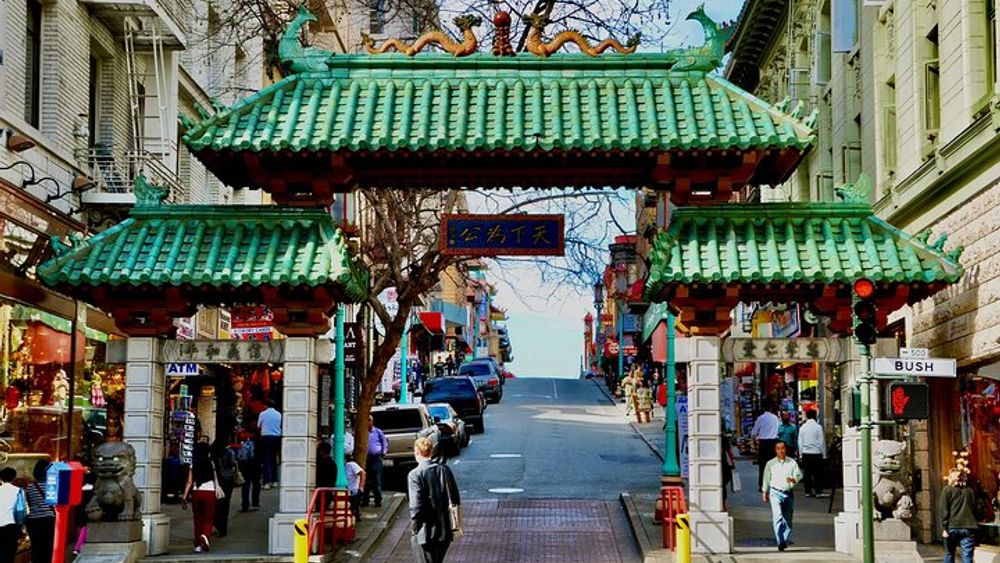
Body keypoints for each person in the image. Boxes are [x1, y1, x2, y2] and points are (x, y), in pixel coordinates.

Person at [407, 436, 460, 563]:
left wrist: (414, 528)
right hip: (444, 531)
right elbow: (455, 497)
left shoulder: (415, 474)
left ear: (417, 452)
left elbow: (416, 505)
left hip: (425, 532)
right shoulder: (445, 470)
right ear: (431, 451)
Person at [761, 441, 802, 552]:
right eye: (778, 448)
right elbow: (766, 478)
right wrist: (764, 492)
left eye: (782, 448)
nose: (781, 450)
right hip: (775, 492)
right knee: (777, 516)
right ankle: (780, 542)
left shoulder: (792, 463)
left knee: (788, 521)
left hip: (788, 493)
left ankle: (783, 539)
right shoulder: (770, 464)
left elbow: (799, 475)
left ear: (785, 449)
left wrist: (794, 479)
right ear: (775, 450)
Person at [183, 442, 220, 552]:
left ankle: (198, 544)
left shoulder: (193, 464)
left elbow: (189, 482)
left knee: (198, 519)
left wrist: (184, 496)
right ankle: (205, 535)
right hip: (209, 492)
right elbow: (215, 478)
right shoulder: (211, 463)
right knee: (208, 518)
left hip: (196, 492)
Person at [939, 467, 979, 563]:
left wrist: (944, 528)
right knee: (967, 555)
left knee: (949, 553)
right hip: (969, 526)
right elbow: (975, 508)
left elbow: (944, 510)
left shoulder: (947, 490)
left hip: (952, 527)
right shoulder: (970, 491)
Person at [25, 460, 55, 563]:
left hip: (33, 520)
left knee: (36, 547)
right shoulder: (52, 486)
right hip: (49, 519)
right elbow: (55, 503)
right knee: (48, 546)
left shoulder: (30, 487)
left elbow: (29, 502)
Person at [797, 409, 828, 498]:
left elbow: (800, 442)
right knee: (818, 474)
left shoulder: (803, 428)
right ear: (815, 416)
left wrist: (800, 454)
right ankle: (818, 491)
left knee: (807, 474)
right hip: (817, 453)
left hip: (806, 453)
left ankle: (808, 491)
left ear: (806, 416)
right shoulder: (818, 427)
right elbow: (822, 442)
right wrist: (824, 454)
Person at [751, 398, 781, 489]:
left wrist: (754, 442)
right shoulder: (775, 418)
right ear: (771, 408)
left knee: (763, 465)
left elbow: (753, 433)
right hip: (773, 443)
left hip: (763, 443)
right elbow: (779, 430)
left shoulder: (761, 418)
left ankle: (762, 485)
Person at [212, 439, 237, 537]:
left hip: (218, 480)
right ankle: (223, 528)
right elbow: (233, 463)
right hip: (228, 479)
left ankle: (216, 523)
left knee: (217, 504)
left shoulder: (214, 454)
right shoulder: (229, 452)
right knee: (225, 505)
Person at [362, 415, 389, 508]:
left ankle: (378, 500)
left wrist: (383, 452)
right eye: (367, 420)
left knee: (376, 480)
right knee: (365, 480)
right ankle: (365, 500)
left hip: (376, 459)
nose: (368, 422)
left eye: (369, 420)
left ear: (372, 421)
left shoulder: (378, 432)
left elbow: (384, 442)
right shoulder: (363, 432)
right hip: (365, 459)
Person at [0, 467, 23, 563]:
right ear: (13, 478)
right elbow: (21, 510)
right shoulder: (18, 491)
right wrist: (20, 527)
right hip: (11, 527)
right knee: (9, 555)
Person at [257, 399, 282, 489]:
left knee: (266, 459)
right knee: (274, 458)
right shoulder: (279, 414)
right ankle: (275, 480)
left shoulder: (262, 414)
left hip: (266, 437)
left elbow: (258, 426)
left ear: (265, 405)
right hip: (276, 437)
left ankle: (266, 482)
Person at [236, 431, 261, 512]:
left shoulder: (244, 444)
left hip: (245, 466)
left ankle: (245, 505)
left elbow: (240, 457)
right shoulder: (258, 443)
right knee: (256, 484)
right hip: (256, 466)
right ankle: (255, 503)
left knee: (245, 486)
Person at [344, 452, 365, 519]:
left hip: (353, 491)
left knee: (353, 508)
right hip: (346, 490)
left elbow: (362, 473)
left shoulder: (351, 465)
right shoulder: (342, 466)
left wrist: (361, 486)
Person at [721, 432, 736, 511]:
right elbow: (729, 452)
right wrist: (733, 462)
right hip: (723, 465)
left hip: (717, 466)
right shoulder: (724, 438)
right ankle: (724, 505)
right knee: (723, 486)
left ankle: (722, 504)